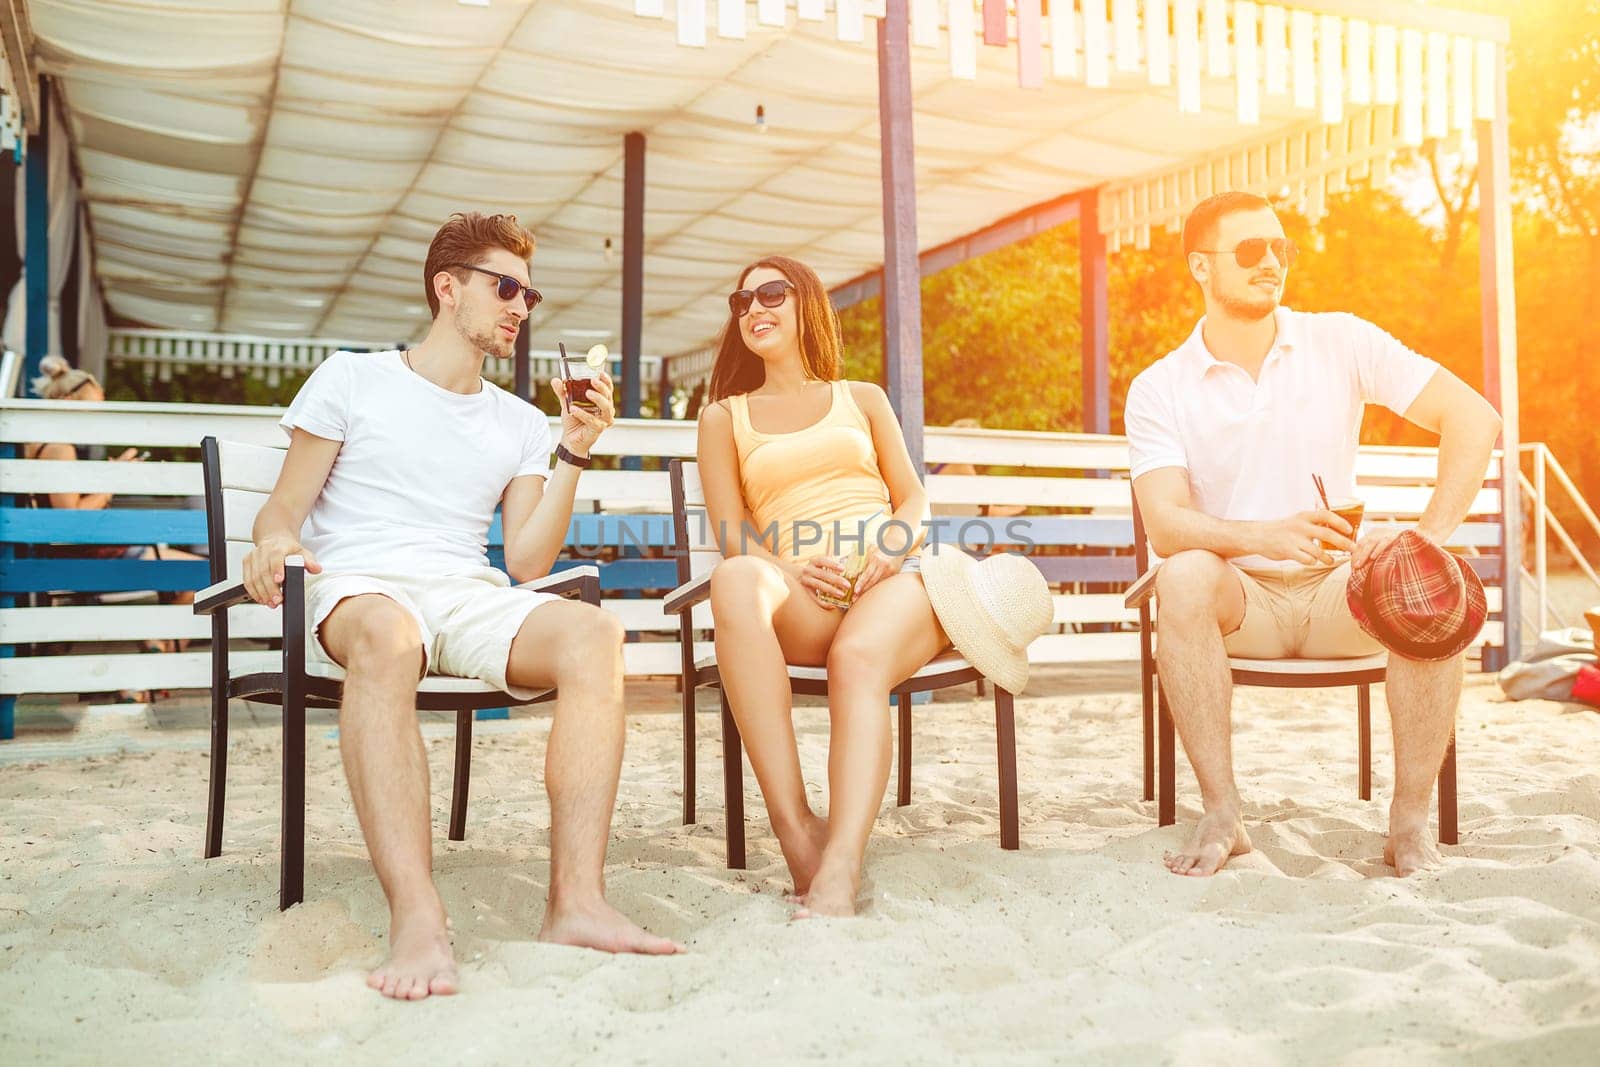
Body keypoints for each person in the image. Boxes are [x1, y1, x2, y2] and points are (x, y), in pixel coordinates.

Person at [243, 212, 678, 1002]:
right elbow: (282, 511)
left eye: (528, 292)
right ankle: (417, 916)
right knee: (390, 632)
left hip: (463, 591)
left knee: (596, 633)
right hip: (359, 590)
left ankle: (575, 901)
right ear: (448, 287)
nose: (521, 305)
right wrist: (272, 544)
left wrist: (574, 444)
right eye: (504, 286)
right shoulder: (352, 378)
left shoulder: (519, 421)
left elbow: (525, 561)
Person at [1125, 191, 1503, 879]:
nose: (1272, 261)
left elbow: (1472, 417)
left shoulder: (1341, 339)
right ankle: (1222, 812)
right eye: (1250, 250)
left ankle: (1409, 824)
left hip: (1341, 594)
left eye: (1281, 248)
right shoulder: (1159, 386)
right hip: (1242, 602)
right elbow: (1166, 522)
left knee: (1431, 588)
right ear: (1200, 268)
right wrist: (1266, 535)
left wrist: (1428, 538)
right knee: (1180, 574)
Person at [697, 255, 1050, 919]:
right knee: (736, 579)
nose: (753, 309)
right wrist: (789, 568)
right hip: (800, 589)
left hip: (891, 579)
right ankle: (798, 829)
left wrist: (889, 549)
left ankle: (841, 864)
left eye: (770, 292)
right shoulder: (725, 417)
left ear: (806, 302)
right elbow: (730, 530)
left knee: (856, 660)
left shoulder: (861, 398)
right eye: (740, 301)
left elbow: (913, 495)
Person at [25, 356, 203, 693]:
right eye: (94, 407)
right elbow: (72, 521)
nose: (99, 417)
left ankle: (150, 665)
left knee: (197, 577)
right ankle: (145, 675)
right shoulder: (60, 449)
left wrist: (108, 476)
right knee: (203, 579)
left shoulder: (41, 444)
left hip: (79, 556)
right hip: (86, 562)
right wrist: (114, 481)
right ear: (67, 402)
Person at [929, 417, 1026, 519]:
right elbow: (987, 511)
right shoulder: (961, 466)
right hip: (949, 522)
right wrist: (1016, 509)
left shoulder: (946, 464)